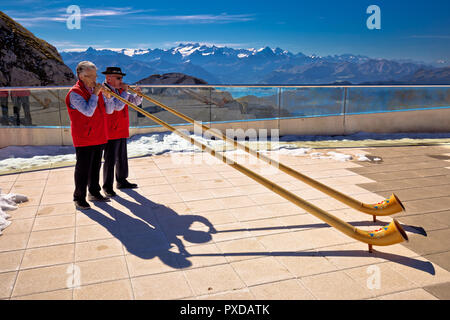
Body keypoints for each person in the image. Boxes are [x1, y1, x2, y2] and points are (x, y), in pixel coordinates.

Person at [65, 61, 109, 210]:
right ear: (80, 76)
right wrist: (96, 94)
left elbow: (107, 111)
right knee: (83, 168)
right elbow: (88, 111)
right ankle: (79, 197)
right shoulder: (74, 93)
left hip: (98, 134)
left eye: (95, 76)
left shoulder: (94, 90)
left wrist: (108, 97)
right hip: (84, 136)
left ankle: (94, 191)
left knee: (96, 165)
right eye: (89, 76)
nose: (94, 79)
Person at [101, 67, 142, 197]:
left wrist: (138, 94)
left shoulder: (119, 90)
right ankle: (107, 186)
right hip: (111, 130)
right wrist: (124, 91)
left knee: (122, 157)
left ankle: (122, 180)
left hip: (122, 128)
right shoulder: (104, 91)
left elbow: (134, 102)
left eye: (121, 78)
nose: (121, 80)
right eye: (118, 78)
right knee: (110, 159)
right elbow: (117, 107)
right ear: (109, 78)